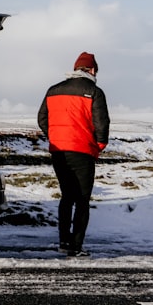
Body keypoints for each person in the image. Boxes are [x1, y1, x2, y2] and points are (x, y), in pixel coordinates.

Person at [37, 51, 110, 257]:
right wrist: (99, 145)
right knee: (82, 199)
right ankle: (76, 246)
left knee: (67, 197)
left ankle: (63, 241)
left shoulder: (53, 90)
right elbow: (102, 123)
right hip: (83, 151)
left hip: (59, 151)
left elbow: (42, 118)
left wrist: (55, 136)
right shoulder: (95, 92)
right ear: (92, 70)